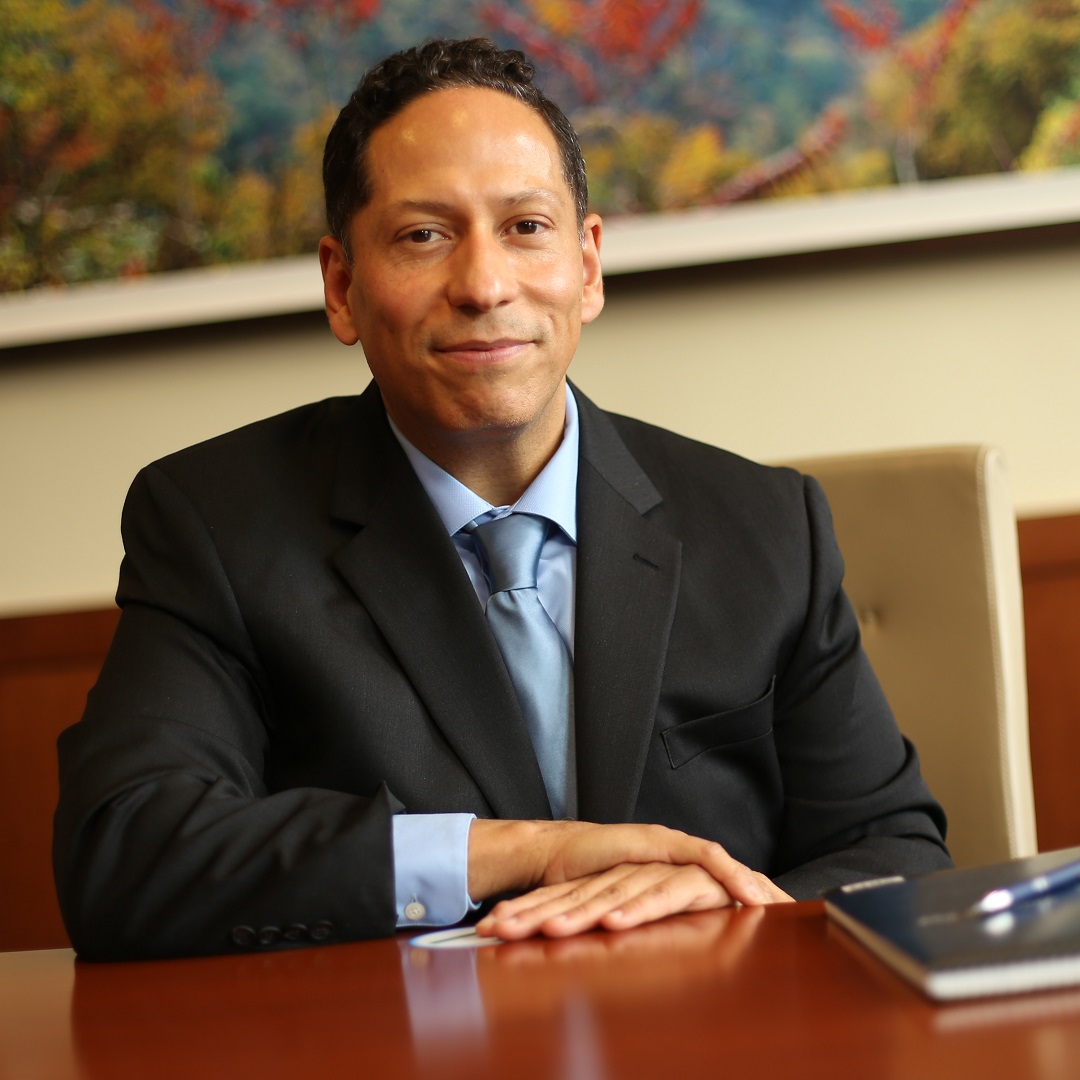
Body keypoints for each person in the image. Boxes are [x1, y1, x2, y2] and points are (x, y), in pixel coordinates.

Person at [53, 38, 950, 961]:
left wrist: (736, 905)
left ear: (588, 265)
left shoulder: (766, 524)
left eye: (526, 227)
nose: (484, 287)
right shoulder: (216, 525)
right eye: (422, 236)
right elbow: (128, 858)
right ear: (341, 286)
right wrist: (524, 853)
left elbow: (893, 850)